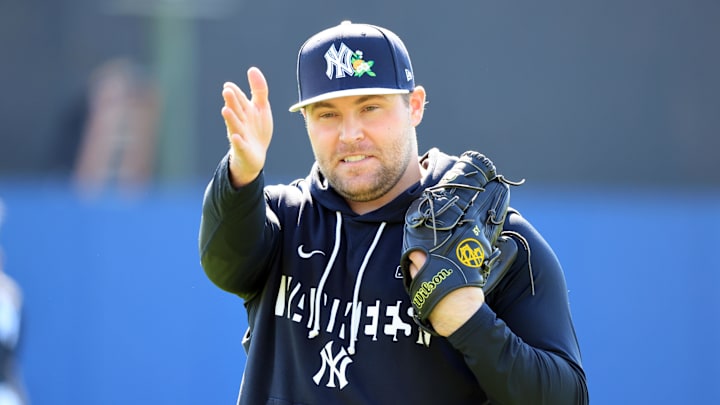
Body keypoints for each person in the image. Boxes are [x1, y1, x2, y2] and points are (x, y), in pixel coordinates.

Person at [198, 21, 588, 404]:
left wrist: (471, 325)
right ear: (306, 122)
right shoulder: (283, 220)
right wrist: (242, 175)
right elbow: (223, 263)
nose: (350, 133)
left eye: (370, 107)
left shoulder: (491, 236)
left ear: (414, 105)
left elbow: (566, 396)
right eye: (327, 113)